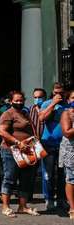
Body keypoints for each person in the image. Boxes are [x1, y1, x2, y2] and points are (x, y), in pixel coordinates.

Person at [0, 91, 40, 218]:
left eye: (21, 100)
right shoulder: (7, 114)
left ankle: (23, 206)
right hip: (11, 151)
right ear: (10, 101)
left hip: (27, 151)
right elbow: (1, 131)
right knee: (9, 178)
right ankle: (5, 207)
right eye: (16, 100)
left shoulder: (25, 113)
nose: (19, 102)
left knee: (26, 179)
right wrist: (17, 142)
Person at [39, 82, 69, 210]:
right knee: (48, 174)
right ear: (52, 93)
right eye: (56, 93)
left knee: (63, 174)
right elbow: (41, 118)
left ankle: (61, 198)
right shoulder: (47, 104)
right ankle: (49, 199)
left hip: (64, 145)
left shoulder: (67, 106)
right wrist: (53, 104)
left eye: (61, 93)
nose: (58, 95)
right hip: (48, 144)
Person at [59, 90, 74, 219]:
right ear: (68, 100)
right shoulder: (66, 113)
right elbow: (67, 132)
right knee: (71, 179)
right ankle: (72, 208)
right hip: (71, 151)